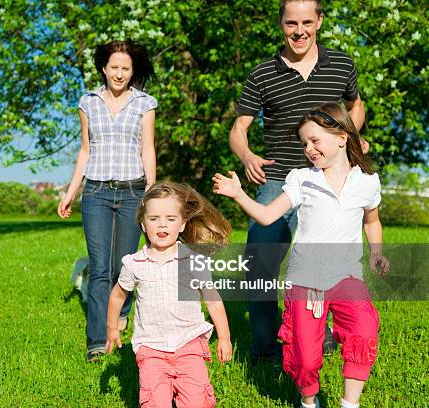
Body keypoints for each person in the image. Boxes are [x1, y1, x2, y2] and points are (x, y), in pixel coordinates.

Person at [214, 102, 389, 408]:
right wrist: (239, 194)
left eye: (314, 140)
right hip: (306, 281)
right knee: (306, 358)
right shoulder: (302, 179)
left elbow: (371, 221)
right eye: (304, 143)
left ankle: (351, 403)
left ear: (341, 137)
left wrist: (376, 253)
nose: (309, 148)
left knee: (364, 328)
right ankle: (308, 400)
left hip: (347, 276)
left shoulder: (367, 181)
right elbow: (268, 215)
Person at [229, 0, 367, 363]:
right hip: (279, 180)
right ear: (281, 24)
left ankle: (321, 337)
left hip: (328, 183)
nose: (300, 31)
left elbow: (356, 105)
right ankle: (265, 348)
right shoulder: (262, 74)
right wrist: (247, 156)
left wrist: (351, 137)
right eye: (292, 23)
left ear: (320, 21)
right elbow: (239, 129)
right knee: (258, 267)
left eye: (307, 22)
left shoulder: (341, 65)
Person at [57, 40, 157, 362]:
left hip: (132, 192)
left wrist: (151, 193)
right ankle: (97, 341)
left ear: (132, 71)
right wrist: (71, 191)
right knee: (100, 268)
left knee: (123, 265)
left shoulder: (144, 103)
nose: (119, 73)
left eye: (125, 68)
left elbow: (147, 149)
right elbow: (85, 151)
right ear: (104, 68)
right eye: (113, 67)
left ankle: (122, 310)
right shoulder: (88, 102)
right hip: (97, 192)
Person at [105, 182, 233, 408]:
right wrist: (112, 327)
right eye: (154, 219)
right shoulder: (134, 263)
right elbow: (117, 295)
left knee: (196, 402)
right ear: (143, 224)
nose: (161, 224)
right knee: (155, 402)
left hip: (189, 344)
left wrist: (224, 338)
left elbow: (212, 300)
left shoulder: (194, 260)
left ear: (183, 224)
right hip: (151, 348)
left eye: (170, 219)